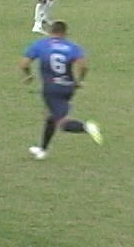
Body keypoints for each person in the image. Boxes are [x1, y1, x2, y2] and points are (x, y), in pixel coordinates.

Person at [20, 21, 103, 160]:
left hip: (51, 89)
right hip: (68, 88)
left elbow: (24, 63)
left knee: (62, 123)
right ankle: (42, 150)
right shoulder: (71, 47)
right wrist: (80, 81)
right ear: (64, 33)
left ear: (50, 31)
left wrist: (28, 75)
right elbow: (83, 66)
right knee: (51, 117)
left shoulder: (41, 45)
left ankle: (86, 127)